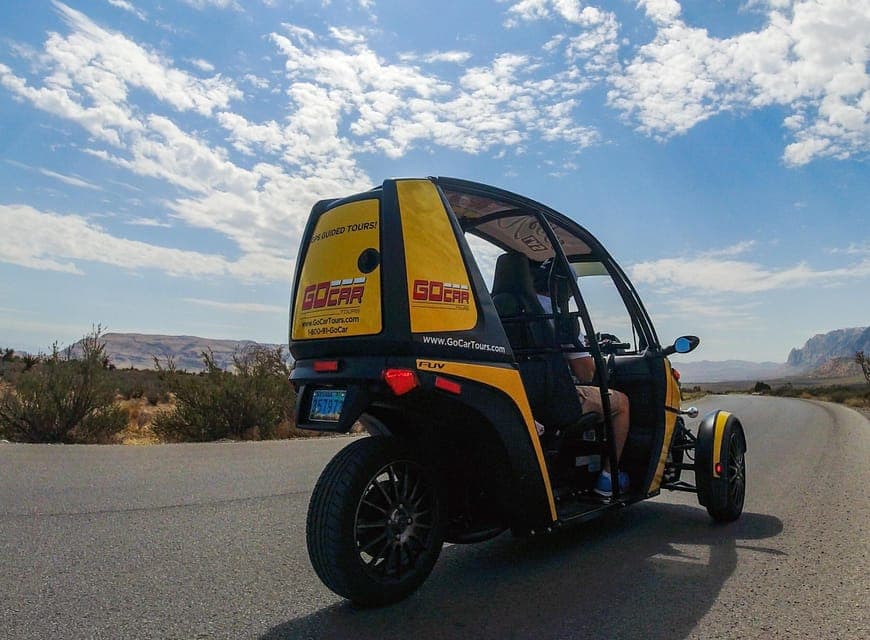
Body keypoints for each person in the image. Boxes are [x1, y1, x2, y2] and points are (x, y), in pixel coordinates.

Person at [533, 259, 631, 497]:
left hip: (519, 396)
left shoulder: (499, 308)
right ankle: (608, 478)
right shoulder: (559, 317)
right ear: (564, 288)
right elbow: (585, 373)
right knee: (622, 403)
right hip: (553, 398)